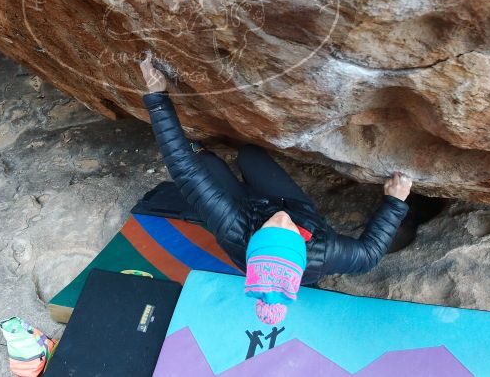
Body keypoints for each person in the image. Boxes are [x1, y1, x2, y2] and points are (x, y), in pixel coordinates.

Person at [139, 55, 412, 291]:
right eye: (291, 231)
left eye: (271, 229)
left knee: (214, 163)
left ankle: (204, 153)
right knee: (251, 157)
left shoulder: (232, 227)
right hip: (294, 207)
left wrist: (158, 99)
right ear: (304, 247)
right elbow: (369, 254)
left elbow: (184, 170)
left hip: (245, 211)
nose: (281, 220)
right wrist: (394, 203)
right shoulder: (322, 252)